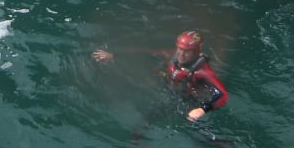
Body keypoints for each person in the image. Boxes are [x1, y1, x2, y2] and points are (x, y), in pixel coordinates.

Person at [94, 30, 229, 121]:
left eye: (187, 52)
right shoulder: (171, 55)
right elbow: (145, 52)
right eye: (180, 49)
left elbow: (223, 95)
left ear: (196, 51)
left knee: (201, 137)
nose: (181, 54)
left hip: (188, 101)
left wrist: (202, 109)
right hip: (170, 93)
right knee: (145, 122)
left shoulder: (203, 71)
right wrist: (114, 55)